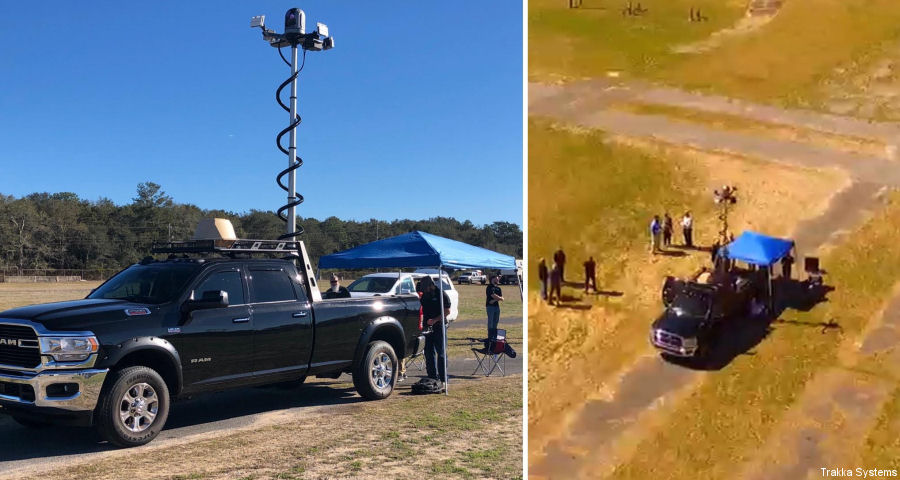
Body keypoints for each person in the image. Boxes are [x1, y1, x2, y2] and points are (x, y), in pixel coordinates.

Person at [420, 275, 451, 385]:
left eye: (426, 288)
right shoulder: (424, 296)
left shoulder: (441, 294)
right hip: (427, 327)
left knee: (441, 353)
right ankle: (432, 377)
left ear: (431, 285)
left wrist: (435, 320)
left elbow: (447, 311)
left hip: (439, 326)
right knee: (428, 352)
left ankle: (443, 378)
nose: (425, 290)